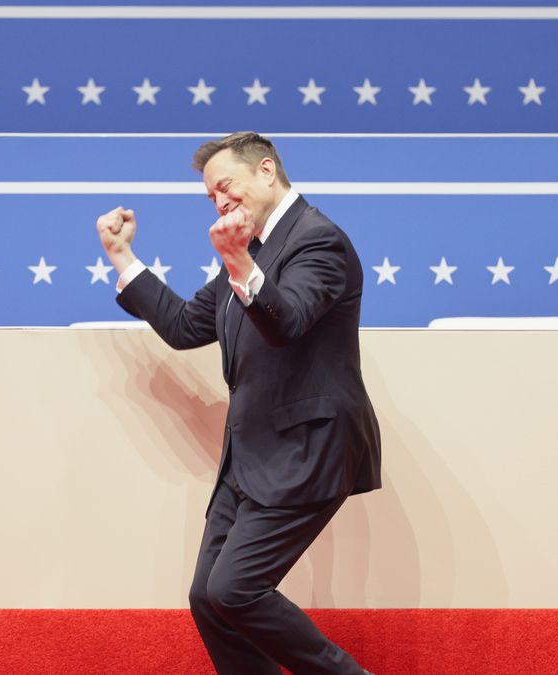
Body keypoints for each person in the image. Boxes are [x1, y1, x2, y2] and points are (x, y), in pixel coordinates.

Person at [95, 131, 382, 674]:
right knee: (209, 599)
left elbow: (289, 320)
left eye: (225, 187)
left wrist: (236, 260)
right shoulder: (252, 253)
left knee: (236, 589)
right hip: (249, 457)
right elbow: (184, 326)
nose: (220, 201)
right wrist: (122, 256)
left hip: (307, 449)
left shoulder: (318, 240)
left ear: (267, 171)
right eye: (211, 197)